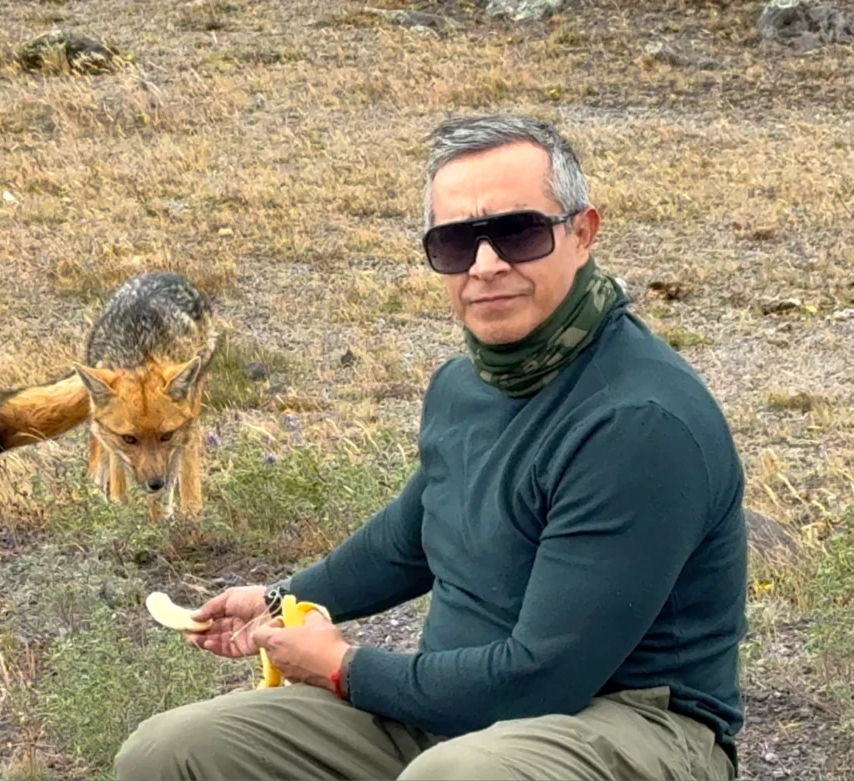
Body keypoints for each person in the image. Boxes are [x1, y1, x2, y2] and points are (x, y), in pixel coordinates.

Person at [114, 114, 748, 781]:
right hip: (459, 712)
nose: (486, 264)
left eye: (518, 232)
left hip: (630, 723)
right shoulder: (465, 382)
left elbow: (544, 678)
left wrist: (344, 667)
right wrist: (278, 598)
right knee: (171, 752)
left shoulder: (637, 424)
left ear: (582, 233)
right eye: (455, 243)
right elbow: (412, 535)